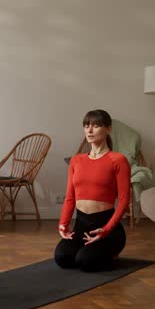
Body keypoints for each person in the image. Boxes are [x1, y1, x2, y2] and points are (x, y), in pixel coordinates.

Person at [55, 109, 130, 271]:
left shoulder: (118, 160)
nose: (89, 130)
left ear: (108, 129)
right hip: (81, 225)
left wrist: (106, 230)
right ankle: (89, 251)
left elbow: (124, 201)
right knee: (62, 258)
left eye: (96, 126)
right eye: (86, 126)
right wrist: (63, 224)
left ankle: (112, 249)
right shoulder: (76, 160)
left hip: (106, 227)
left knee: (85, 262)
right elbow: (70, 197)